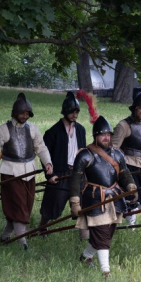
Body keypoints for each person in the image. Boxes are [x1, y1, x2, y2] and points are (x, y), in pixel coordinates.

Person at [69, 116, 137, 277]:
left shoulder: (117, 154)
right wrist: (75, 202)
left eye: (108, 134)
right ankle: (105, 272)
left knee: (106, 235)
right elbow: (75, 180)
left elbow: (124, 173)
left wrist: (131, 186)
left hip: (114, 199)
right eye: (102, 134)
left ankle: (85, 257)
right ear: (95, 136)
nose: (106, 137)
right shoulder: (85, 155)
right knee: (103, 236)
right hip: (94, 199)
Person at [0, 92, 53, 249]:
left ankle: (4, 236)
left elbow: (41, 148)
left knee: (24, 207)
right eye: (22, 113)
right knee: (19, 208)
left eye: (27, 113)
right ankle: (23, 243)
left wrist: (47, 162)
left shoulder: (33, 129)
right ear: (15, 113)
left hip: (29, 173)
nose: (24, 116)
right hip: (11, 174)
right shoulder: (2, 130)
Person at [39, 91, 88, 240]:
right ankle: (42, 227)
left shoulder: (81, 130)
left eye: (76, 112)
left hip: (78, 173)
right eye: (72, 112)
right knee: (53, 203)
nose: (75, 115)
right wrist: (50, 175)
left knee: (82, 203)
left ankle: (84, 235)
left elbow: (84, 152)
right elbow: (45, 156)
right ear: (65, 111)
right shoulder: (52, 132)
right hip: (60, 172)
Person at [111, 90, 141, 226]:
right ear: (135, 109)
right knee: (133, 196)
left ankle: (128, 212)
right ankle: (131, 223)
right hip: (129, 165)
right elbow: (113, 148)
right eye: (140, 108)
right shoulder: (123, 126)